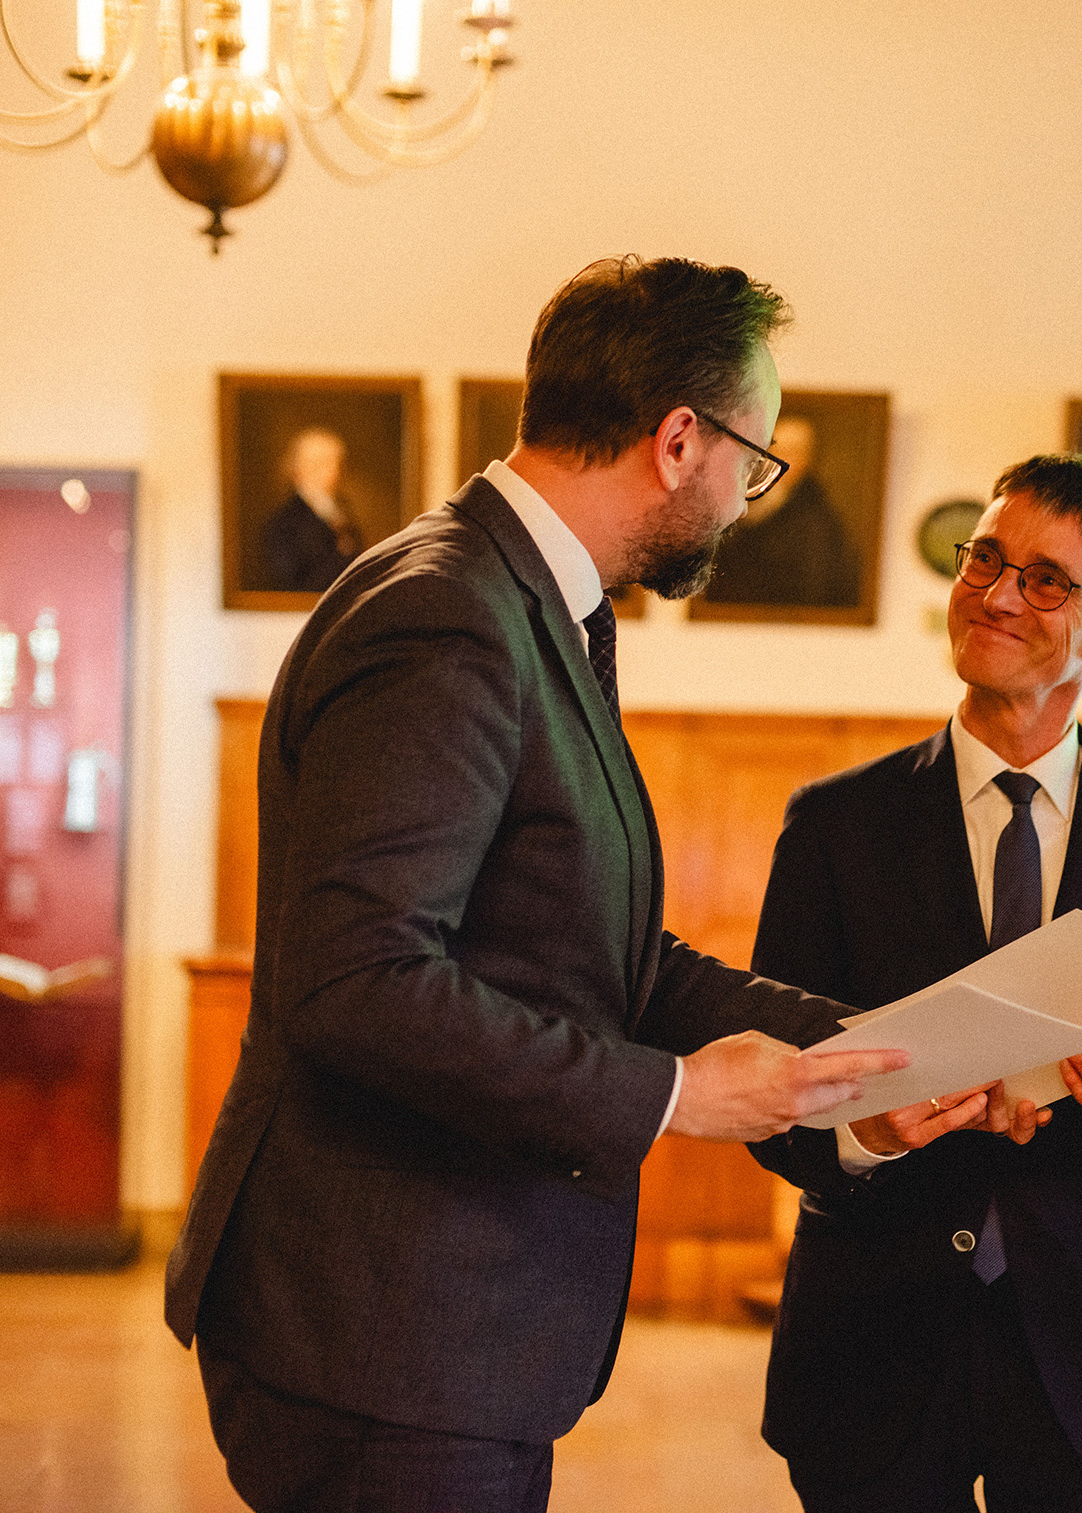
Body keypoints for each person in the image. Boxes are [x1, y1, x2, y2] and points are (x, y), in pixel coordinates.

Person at [164, 256, 907, 1513]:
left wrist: (860, 1055)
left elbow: (603, 955)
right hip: (384, 1335)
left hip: (443, 1336)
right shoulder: (450, 613)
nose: (745, 497)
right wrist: (672, 1094)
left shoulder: (528, 602)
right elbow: (361, 982)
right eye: (754, 460)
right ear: (680, 440)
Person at [749, 453, 1082, 1512]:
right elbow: (772, 1099)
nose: (995, 593)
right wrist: (862, 1133)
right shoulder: (832, 826)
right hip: (871, 1350)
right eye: (985, 558)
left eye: (1045, 579)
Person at [701, 412, 861, 607]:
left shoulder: (814, 522)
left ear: (805, 460)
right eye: (774, 450)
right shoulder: (741, 498)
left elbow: (812, 591)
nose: (777, 460)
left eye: (790, 452)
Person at [258, 426, 364, 592]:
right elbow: (292, 583)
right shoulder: (285, 521)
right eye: (325, 464)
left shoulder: (343, 511)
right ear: (302, 468)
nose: (335, 471)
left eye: (335, 463)